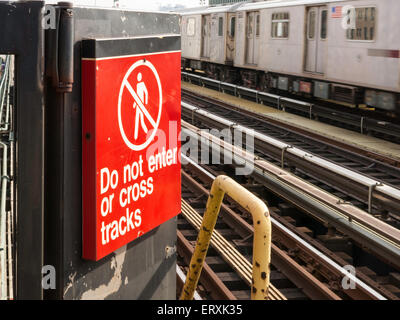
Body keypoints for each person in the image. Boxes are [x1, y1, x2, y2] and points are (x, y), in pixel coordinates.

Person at [133, 72, 149, 140]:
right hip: (138, 105)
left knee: (142, 121)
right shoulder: (137, 85)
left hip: (141, 105)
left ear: (141, 77)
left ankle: (147, 133)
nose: (138, 78)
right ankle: (135, 136)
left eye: (139, 76)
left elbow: (146, 92)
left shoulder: (142, 84)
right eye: (137, 77)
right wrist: (134, 103)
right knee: (137, 120)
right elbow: (136, 95)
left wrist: (145, 102)